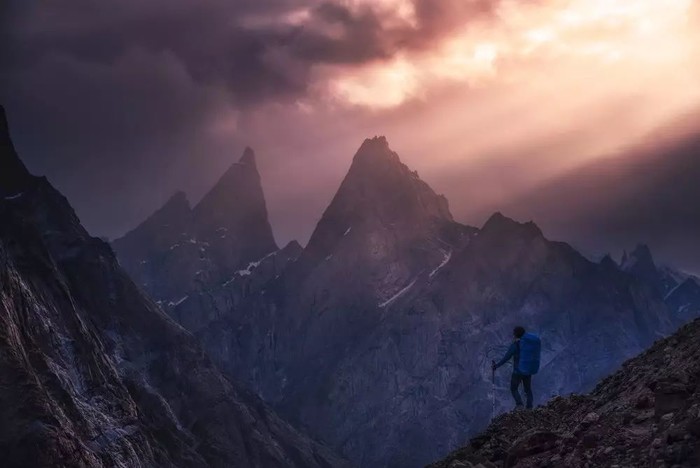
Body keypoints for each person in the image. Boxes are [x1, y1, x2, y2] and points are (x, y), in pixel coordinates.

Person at [492, 326, 533, 409]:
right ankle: (529, 408)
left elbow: (506, 357)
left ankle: (519, 404)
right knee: (528, 390)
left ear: (515, 335)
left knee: (514, 388)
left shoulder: (515, 346)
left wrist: (496, 366)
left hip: (517, 372)